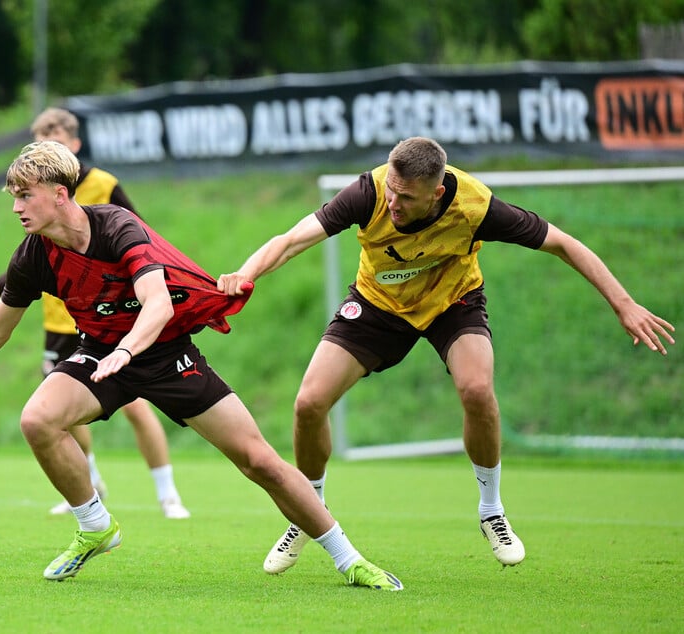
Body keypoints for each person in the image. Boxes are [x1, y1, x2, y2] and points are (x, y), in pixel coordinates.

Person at [0, 140, 402, 589]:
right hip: (101, 353)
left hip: (163, 351)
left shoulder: (115, 224)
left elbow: (157, 305)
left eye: (25, 194)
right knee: (37, 420)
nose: (17, 207)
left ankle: (350, 560)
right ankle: (95, 527)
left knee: (259, 461)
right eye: (13, 196)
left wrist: (126, 351)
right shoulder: (33, 256)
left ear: (60, 194)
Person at [218, 136, 675, 573]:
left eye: (407, 198)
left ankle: (491, 510)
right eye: (391, 193)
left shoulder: (476, 207)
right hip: (379, 304)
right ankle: (307, 511)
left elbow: (563, 244)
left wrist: (623, 302)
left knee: (477, 389)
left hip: (452, 303)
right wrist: (247, 272)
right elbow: (293, 238)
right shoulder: (368, 192)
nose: (394, 204)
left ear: (437, 193)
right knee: (308, 404)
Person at [0, 107, 189, 520]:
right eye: (39, 142)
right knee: (62, 414)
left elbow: (141, 241)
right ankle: (88, 485)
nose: (46, 149)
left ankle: (167, 493)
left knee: (135, 404)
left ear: (74, 144)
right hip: (62, 318)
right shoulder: (34, 200)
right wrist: (1, 284)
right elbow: (38, 254)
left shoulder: (103, 186)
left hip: (113, 318)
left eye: (54, 140)